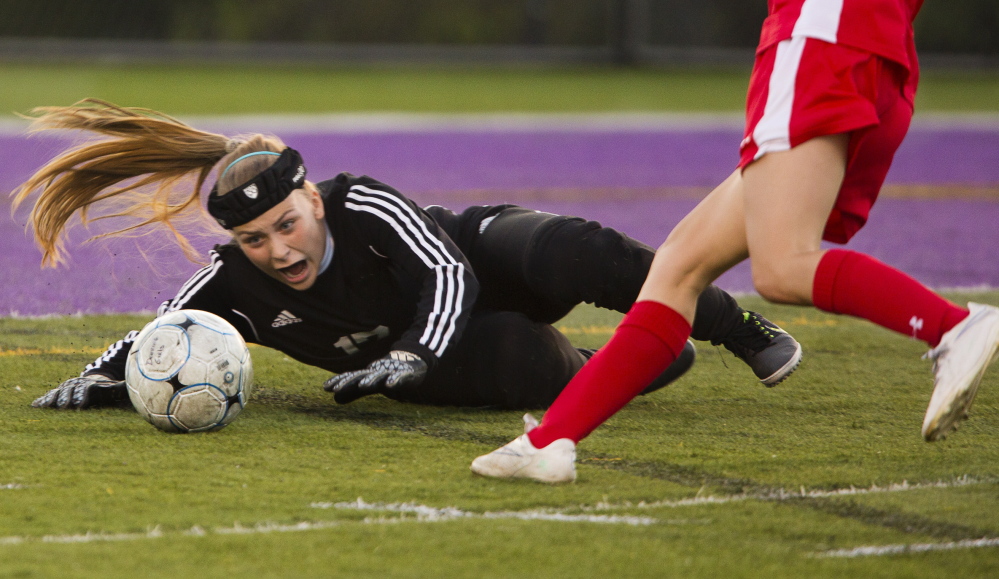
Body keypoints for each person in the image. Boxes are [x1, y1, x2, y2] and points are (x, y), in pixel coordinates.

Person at [471, 0, 999, 483]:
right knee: (678, 269)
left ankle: (954, 326)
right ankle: (548, 442)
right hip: (864, 42)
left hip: (822, 36)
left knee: (782, 265)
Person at [14, 100, 802, 413]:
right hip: (436, 353)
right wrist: (106, 378)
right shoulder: (233, 280)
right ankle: (618, 364)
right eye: (255, 239)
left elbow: (450, 274)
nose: (276, 249)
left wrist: (416, 351)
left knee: (572, 251)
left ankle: (737, 328)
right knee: (515, 361)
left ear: (313, 198)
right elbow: (167, 329)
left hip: (480, 264)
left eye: (287, 223)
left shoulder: (362, 201)